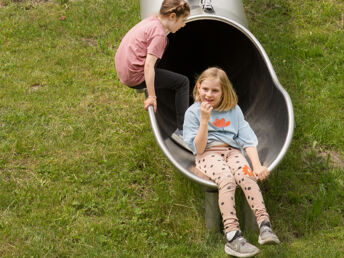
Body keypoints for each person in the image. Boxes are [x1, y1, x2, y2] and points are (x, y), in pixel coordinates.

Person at [183, 67, 280, 257]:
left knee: (246, 175)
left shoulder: (233, 111)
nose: (208, 95)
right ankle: (233, 236)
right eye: (205, 89)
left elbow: (248, 140)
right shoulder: (193, 113)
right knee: (227, 179)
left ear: (224, 92)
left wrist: (257, 165)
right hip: (208, 154)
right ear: (198, 87)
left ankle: (264, 226)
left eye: (215, 91)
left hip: (232, 152)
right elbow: (199, 148)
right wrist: (204, 120)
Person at [115, 0, 191, 148]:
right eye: (183, 21)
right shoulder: (159, 35)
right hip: (134, 76)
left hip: (124, 68)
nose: (184, 25)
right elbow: (149, 65)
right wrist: (152, 96)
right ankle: (182, 131)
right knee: (183, 82)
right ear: (172, 16)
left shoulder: (152, 20)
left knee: (165, 44)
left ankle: (159, 76)